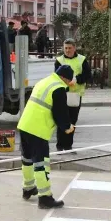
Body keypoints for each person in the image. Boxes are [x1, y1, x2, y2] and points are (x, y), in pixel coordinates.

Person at [17, 65, 75, 209]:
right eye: (69, 81)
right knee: (41, 163)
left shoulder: (44, 81)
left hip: (25, 125)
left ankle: (28, 188)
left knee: (27, 159)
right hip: (38, 129)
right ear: (65, 78)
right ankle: (45, 198)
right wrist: (67, 127)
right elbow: (60, 113)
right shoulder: (59, 88)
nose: (68, 84)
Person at [54, 39, 91, 152]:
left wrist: (77, 79)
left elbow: (88, 75)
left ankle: (68, 146)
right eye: (66, 48)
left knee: (72, 121)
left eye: (70, 48)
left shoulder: (82, 59)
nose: (68, 50)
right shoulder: (59, 60)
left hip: (75, 95)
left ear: (74, 48)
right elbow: (56, 77)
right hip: (62, 94)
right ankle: (60, 146)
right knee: (62, 120)